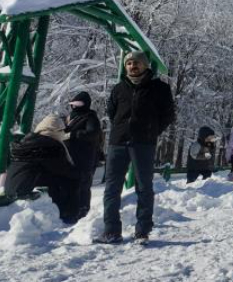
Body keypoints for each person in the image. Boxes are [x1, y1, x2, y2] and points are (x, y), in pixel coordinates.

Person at [96, 50, 176, 245]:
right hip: (118, 143)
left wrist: (151, 131)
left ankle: (142, 231)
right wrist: (119, 129)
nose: (132, 66)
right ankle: (111, 231)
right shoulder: (118, 89)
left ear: (145, 65)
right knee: (112, 188)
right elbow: (112, 112)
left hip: (143, 143)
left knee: (144, 187)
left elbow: (168, 115)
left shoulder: (159, 88)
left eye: (136, 62)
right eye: (129, 63)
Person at [5, 115, 81, 222]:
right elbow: (64, 169)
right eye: (61, 130)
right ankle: (68, 215)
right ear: (54, 130)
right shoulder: (49, 144)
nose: (63, 133)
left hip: (11, 186)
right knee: (68, 180)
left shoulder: (29, 140)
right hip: (24, 189)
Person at [63, 91, 101, 220]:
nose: (75, 106)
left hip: (85, 157)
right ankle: (70, 209)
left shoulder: (90, 117)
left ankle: (83, 211)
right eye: (73, 103)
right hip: (70, 156)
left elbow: (92, 133)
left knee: (83, 184)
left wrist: (74, 134)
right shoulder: (70, 117)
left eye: (78, 104)